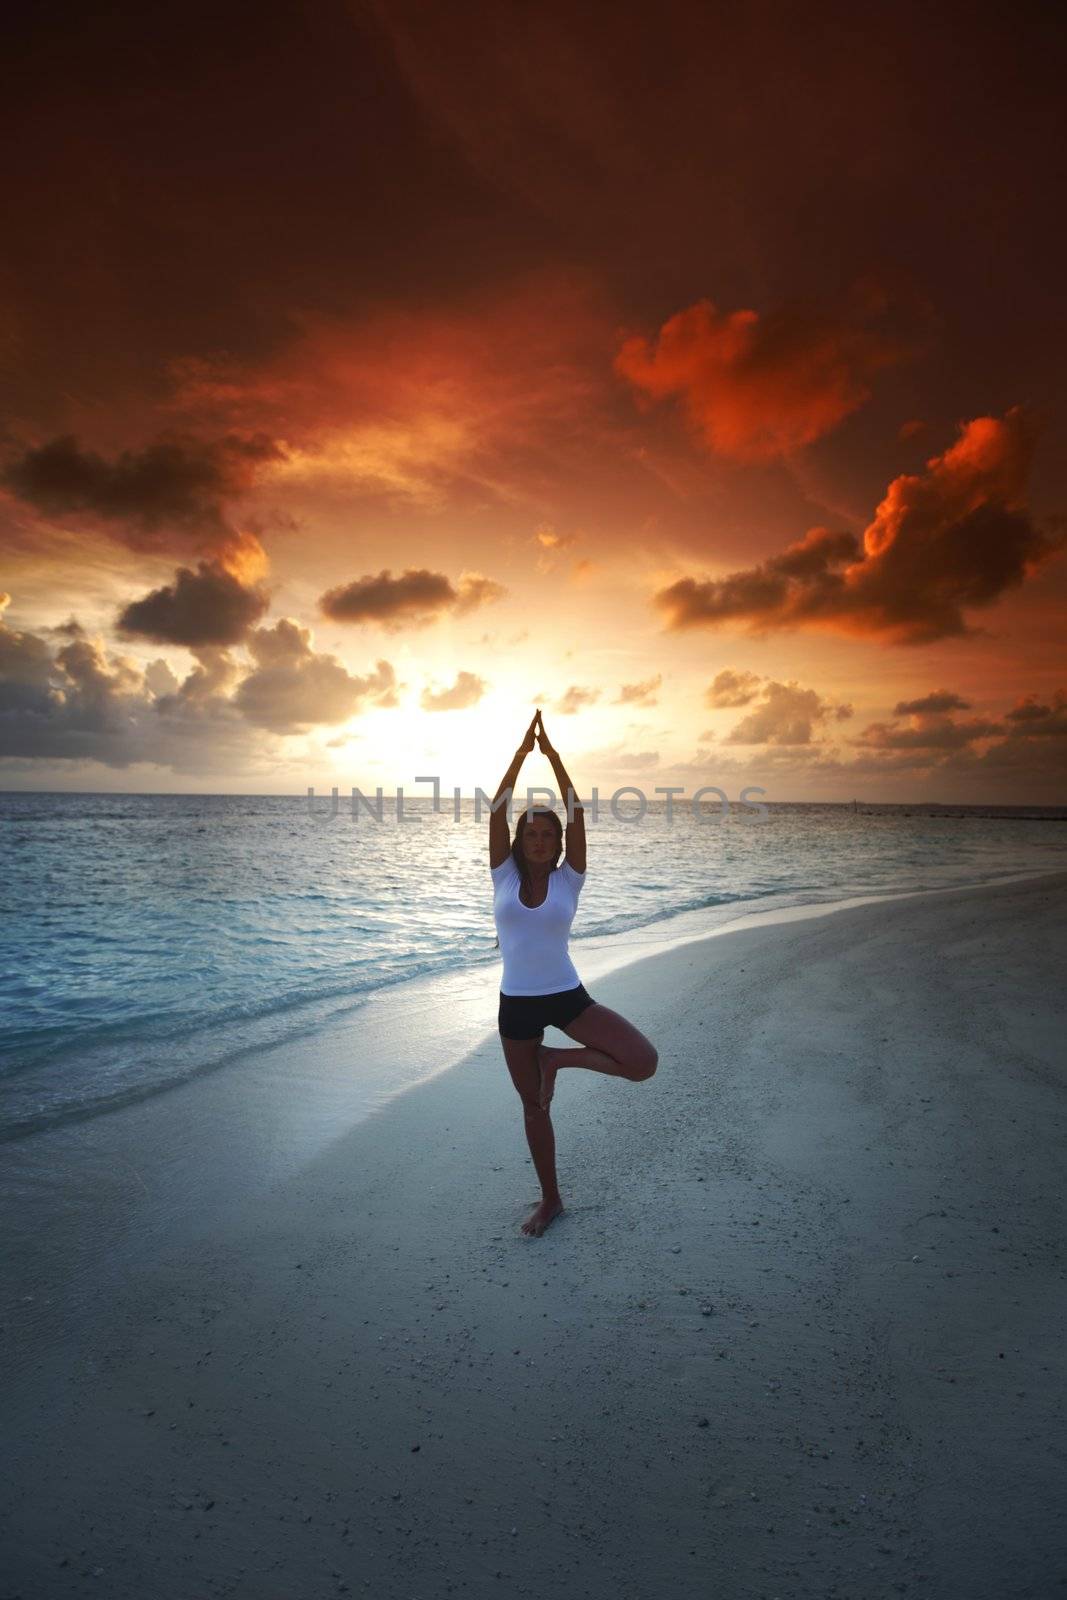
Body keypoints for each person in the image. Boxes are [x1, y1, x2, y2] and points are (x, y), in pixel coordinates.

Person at [489, 709, 659, 1237]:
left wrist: (556, 758)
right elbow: (495, 811)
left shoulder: (570, 880)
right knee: (534, 1107)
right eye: (530, 832)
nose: (539, 839)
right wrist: (520, 755)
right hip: (516, 1004)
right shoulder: (501, 873)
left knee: (642, 1062)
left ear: (559, 843)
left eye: (548, 833)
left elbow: (579, 811)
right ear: (519, 840)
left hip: (566, 996)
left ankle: (556, 1059)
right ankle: (551, 1199)